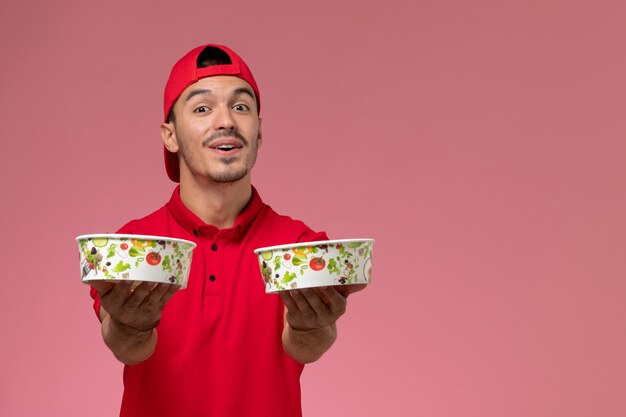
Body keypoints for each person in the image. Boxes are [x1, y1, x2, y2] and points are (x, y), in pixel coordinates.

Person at [89, 43, 361, 417]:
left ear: (259, 131)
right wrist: (131, 325)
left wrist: (311, 327)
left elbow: (307, 347)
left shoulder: (299, 246)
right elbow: (126, 347)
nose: (227, 121)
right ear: (169, 135)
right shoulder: (133, 246)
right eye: (202, 108)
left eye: (241, 106)